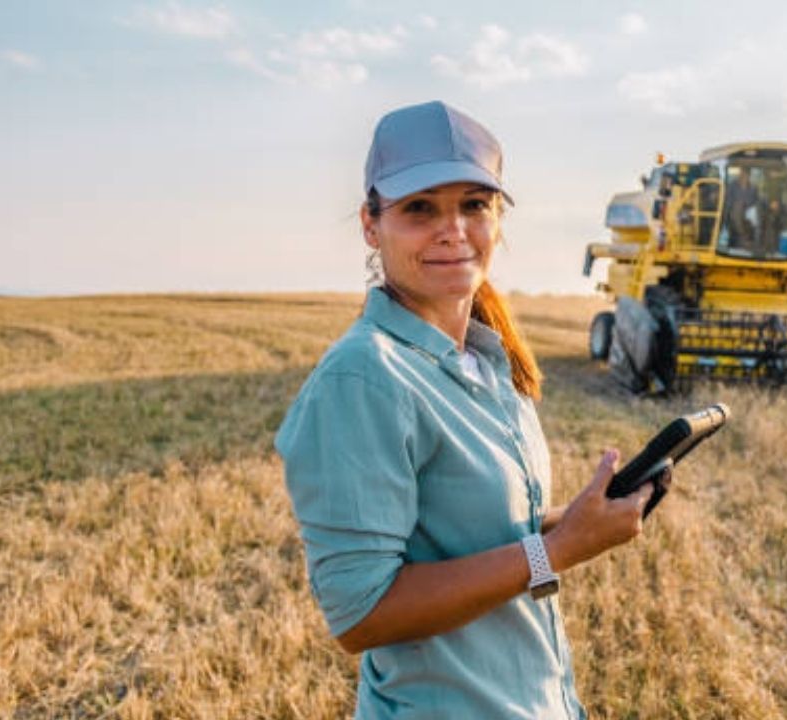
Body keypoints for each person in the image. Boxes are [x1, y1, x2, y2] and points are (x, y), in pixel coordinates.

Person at [275, 100, 665, 719]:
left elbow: (479, 539)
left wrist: (579, 522)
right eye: (419, 208)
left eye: (474, 205)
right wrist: (556, 552)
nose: (452, 228)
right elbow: (361, 613)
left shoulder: (487, 359)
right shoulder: (364, 378)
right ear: (371, 225)